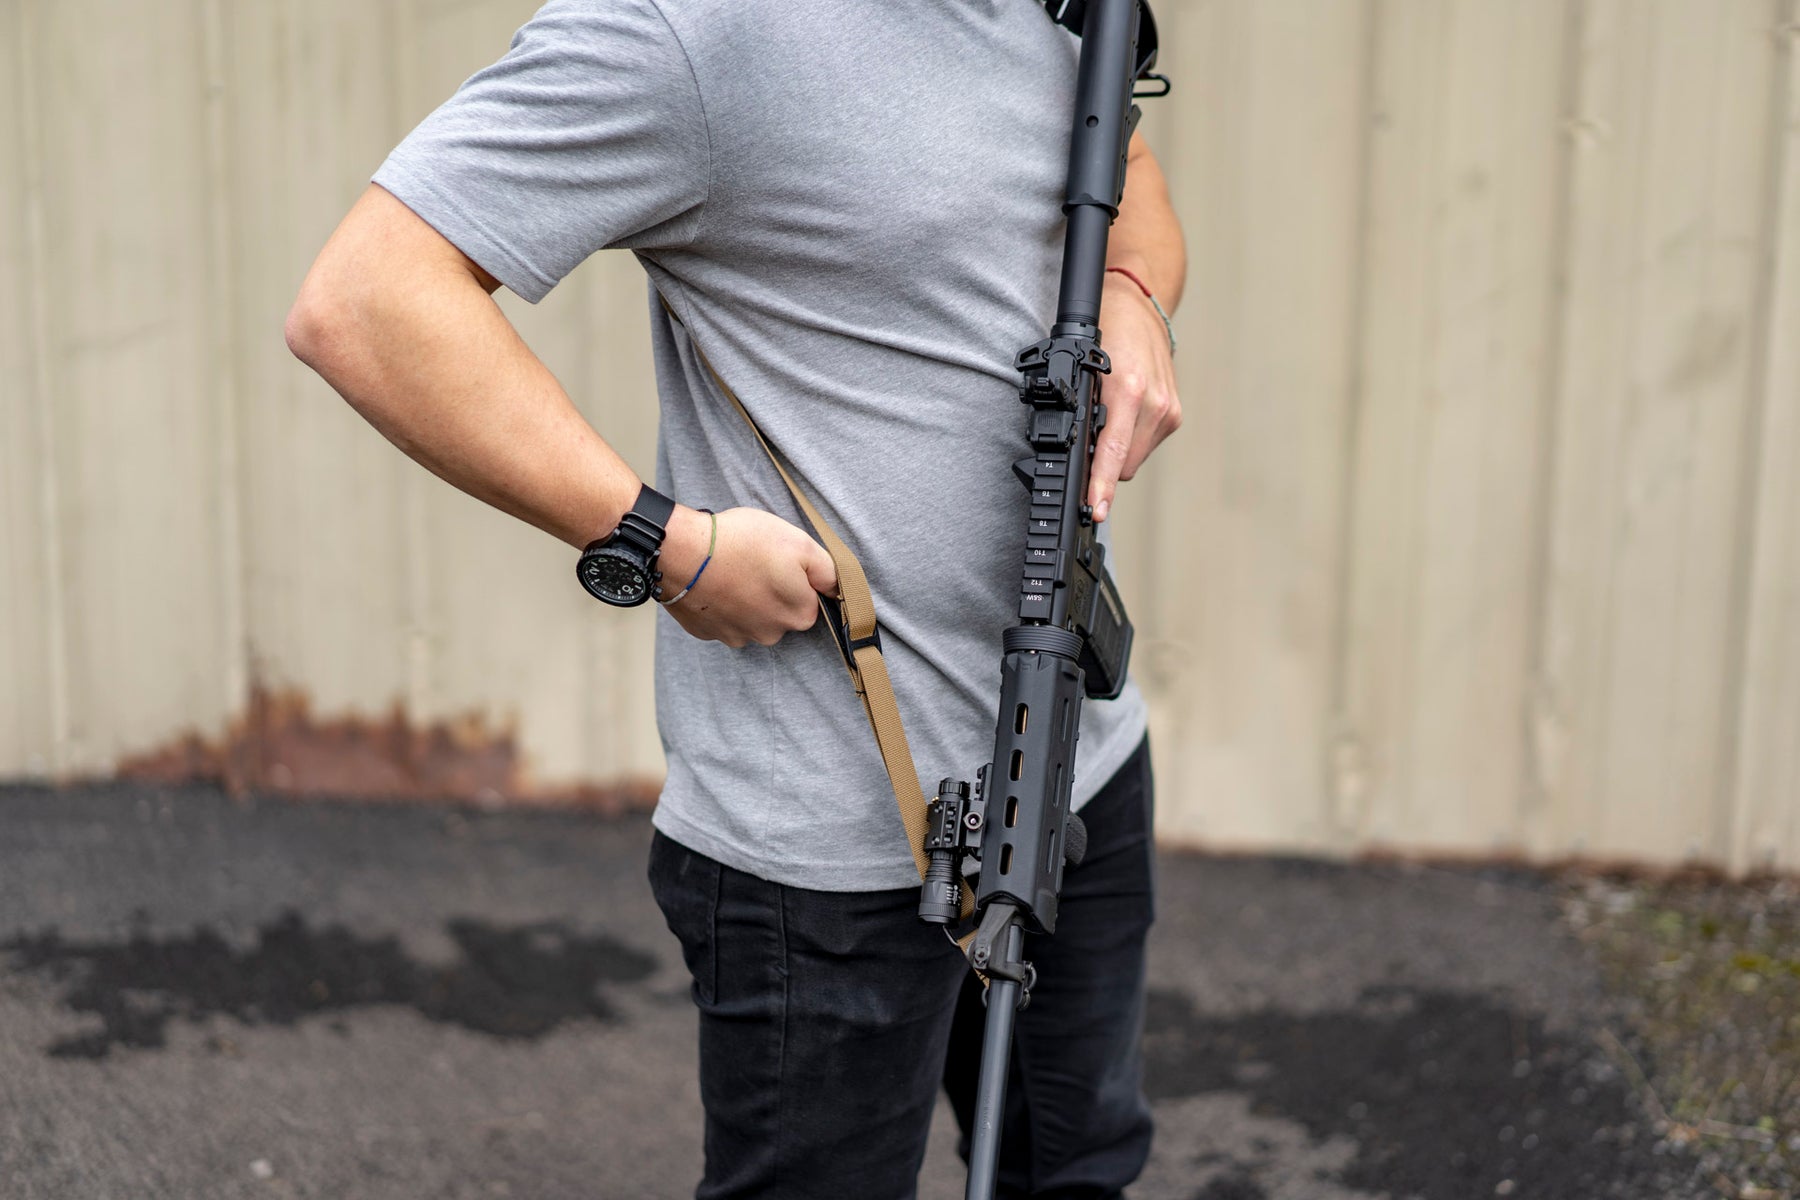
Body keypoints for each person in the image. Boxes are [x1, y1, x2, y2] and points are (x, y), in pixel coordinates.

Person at [286, 1, 1186, 1196]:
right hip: (826, 844)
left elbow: (1116, 162)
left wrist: (1134, 291)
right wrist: (666, 544)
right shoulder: (689, 31)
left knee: (1079, 1169)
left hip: (1074, 755)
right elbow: (367, 299)